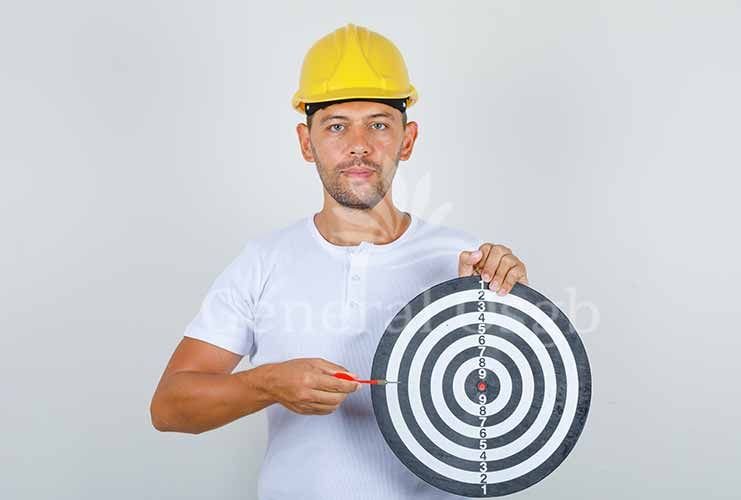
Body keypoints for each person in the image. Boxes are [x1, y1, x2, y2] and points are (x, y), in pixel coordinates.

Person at [150, 22, 529, 500]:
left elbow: (521, 407)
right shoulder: (262, 262)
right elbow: (169, 408)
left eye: (379, 124)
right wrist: (268, 383)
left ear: (407, 139)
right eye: (336, 126)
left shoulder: (464, 257)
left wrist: (504, 306)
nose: (359, 145)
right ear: (306, 143)